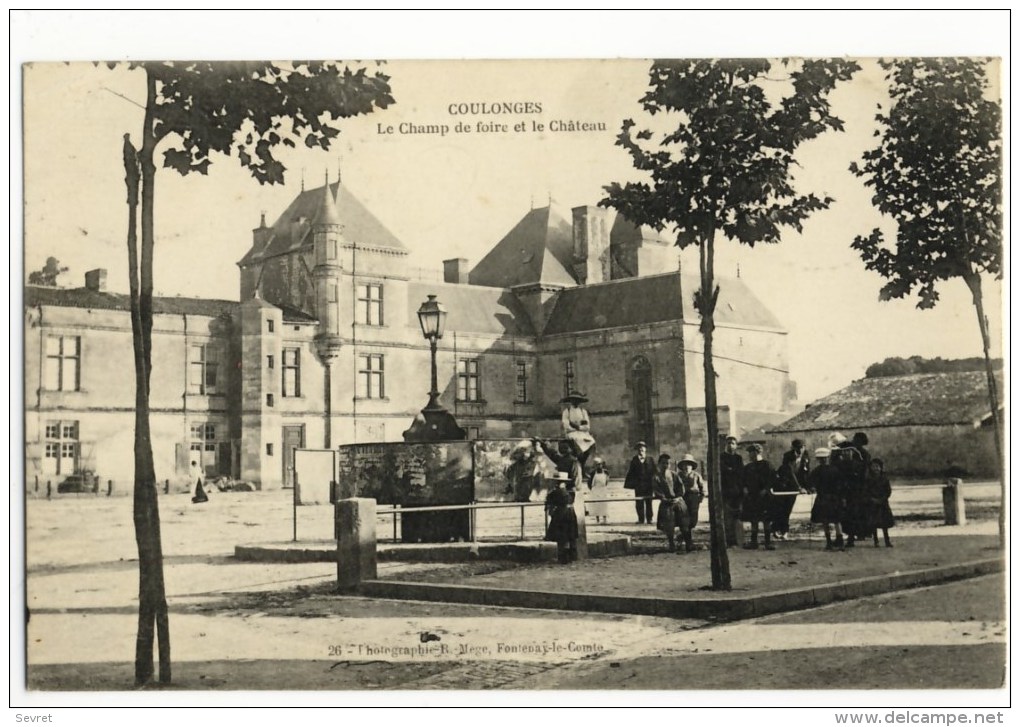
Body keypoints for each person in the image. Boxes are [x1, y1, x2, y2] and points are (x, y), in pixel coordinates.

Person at [653, 454, 692, 553]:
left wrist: (678, 497)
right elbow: (657, 490)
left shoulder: (674, 475)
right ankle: (671, 544)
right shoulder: (656, 477)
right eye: (663, 463)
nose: (666, 465)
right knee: (669, 524)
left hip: (678, 501)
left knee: (684, 523)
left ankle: (688, 543)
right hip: (666, 503)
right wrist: (664, 498)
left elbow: (680, 487)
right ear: (659, 464)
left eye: (668, 463)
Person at [808, 447, 845, 550]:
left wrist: (811, 487)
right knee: (832, 520)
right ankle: (835, 542)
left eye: (823, 458)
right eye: (821, 459)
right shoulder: (834, 469)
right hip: (830, 498)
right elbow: (811, 482)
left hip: (826, 498)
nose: (823, 460)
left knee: (829, 520)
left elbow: (810, 482)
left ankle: (834, 542)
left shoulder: (819, 470)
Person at [772, 439, 809, 540]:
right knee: (780, 508)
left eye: (802, 447)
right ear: (793, 448)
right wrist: (799, 487)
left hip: (795, 487)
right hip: (783, 485)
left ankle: (784, 531)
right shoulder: (787, 456)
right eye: (798, 448)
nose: (800, 450)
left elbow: (805, 473)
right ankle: (776, 529)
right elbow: (790, 473)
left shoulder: (806, 456)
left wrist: (806, 487)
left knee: (788, 509)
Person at [741, 444, 776, 550]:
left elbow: (773, 479)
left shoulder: (767, 465)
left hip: (764, 496)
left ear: (756, 452)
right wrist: (745, 488)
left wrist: (766, 489)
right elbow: (743, 480)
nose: (749, 455)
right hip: (752, 496)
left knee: (766, 520)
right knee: (754, 520)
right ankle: (754, 542)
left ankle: (768, 542)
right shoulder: (748, 467)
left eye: (751, 452)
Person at [544, 472, 579, 563]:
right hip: (570, 513)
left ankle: (563, 557)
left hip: (561, 514)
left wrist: (551, 510)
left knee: (562, 536)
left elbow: (549, 503)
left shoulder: (554, 492)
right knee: (569, 535)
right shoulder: (571, 492)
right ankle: (571, 556)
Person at [560, 391, 596, 473]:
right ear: (571, 401)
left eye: (577, 400)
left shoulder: (583, 412)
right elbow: (566, 426)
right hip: (571, 433)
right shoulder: (567, 411)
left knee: (591, 441)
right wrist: (574, 428)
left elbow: (587, 426)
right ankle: (577, 467)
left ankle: (582, 464)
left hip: (583, 433)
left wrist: (578, 427)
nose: (575, 402)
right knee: (575, 440)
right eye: (573, 400)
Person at [863, 458, 895, 548]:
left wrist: (882, 499)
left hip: (883, 503)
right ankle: (876, 541)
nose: (876, 468)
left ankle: (887, 540)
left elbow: (888, 491)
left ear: (881, 468)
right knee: (874, 524)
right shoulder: (868, 479)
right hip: (872, 504)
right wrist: (871, 499)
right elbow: (865, 491)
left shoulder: (884, 478)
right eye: (874, 466)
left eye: (877, 466)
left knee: (885, 524)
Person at [720, 435, 745, 547]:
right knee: (727, 517)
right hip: (726, 490)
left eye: (733, 443)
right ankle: (728, 541)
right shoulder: (721, 457)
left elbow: (741, 473)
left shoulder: (738, 458)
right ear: (725, 445)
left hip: (737, 491)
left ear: (736, 446)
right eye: (728, 443)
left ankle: (738, 540)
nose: (730, 445)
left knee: (738, 516)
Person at [624, 441, 657, 525]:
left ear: (645, 449)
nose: (641, 449)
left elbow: (655, 471)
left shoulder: (650, 459)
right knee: (639, 502)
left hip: (649, 485)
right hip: (639, 486)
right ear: (637, 450)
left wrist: (656, 482)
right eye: (639, 448)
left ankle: (649, 519)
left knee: (649, 502)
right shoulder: (634, 460)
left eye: (643, 447)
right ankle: (641, 519)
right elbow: (631, 472)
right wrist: (631, 484)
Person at [676, 453, 706, 534]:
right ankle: (687, 538)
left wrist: (700, 498)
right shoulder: (678, 476)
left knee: (693, 520)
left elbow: (702, 488)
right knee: (683, 518)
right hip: (683, 499)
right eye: (685, 465)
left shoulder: (696, 475)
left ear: (692, 466)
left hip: (694, 498)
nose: (687, 467)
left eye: (689, 465)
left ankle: (684, 535)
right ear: (682, 466)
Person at [587, 458, 610, 524]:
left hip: (603, 490)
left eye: (600, 464)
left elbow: (607, 481)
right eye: (597, 465)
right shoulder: (593, 473)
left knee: (604, 504)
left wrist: (604, 487)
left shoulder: (606, 472)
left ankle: (604, 519)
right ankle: (597, 520)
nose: (599, 466)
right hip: (595, 490)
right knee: (596, 505)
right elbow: (589, 482)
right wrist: (592, 489)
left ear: (602, 465)